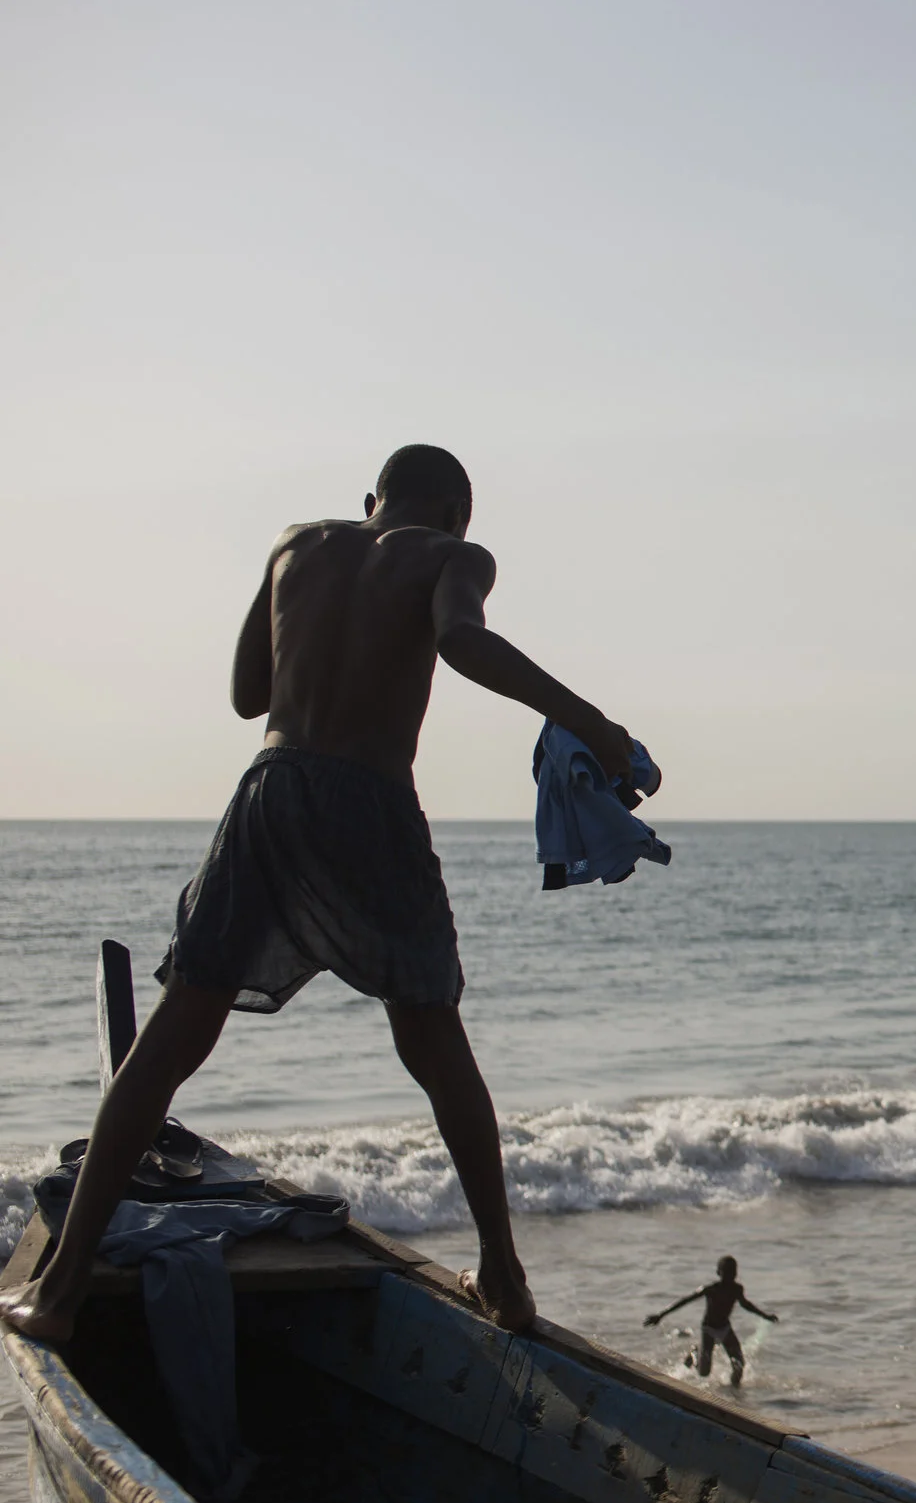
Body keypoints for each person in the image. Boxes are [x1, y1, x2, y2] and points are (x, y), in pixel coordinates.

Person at [0, 445, 647, 1341]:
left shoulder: (293, 544)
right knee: (431, 1037)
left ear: (371, 499)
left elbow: (244, 694)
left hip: (269, 790)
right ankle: (502, 1276)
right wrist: (592, 722)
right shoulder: (454, 558)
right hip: (370, 797)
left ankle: (60, 1289)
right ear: (460, 516)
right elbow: (461, 640)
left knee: (175, 1034)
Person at [645, 1256, 778, 1387]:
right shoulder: (711, 1289)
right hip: (708, 1329)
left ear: (736, 1273)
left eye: (732, 1273)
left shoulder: (737, 1289)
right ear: (718, 1273)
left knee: (739, 1366)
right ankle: (695, 1353)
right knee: (704, 1373)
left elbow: (746, 1305)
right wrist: (661, 1315)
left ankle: (734, 1394)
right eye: (727, 1273)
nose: (730, 1276)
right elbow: (685, 1300)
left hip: (725, 1328)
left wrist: (765, 1316)